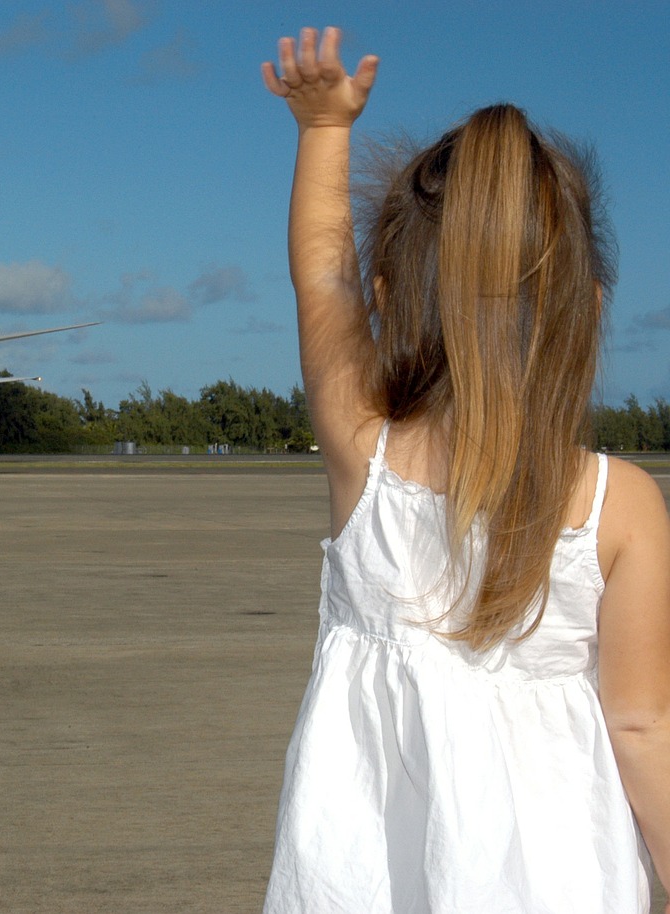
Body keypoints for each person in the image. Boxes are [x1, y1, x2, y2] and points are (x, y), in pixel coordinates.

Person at [258, 26, 670, 913]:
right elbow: (642, 725)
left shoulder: (363, 452)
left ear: (389, 289)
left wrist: (324, 131)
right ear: (590, 307)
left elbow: (319, 280)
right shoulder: (620, 504)